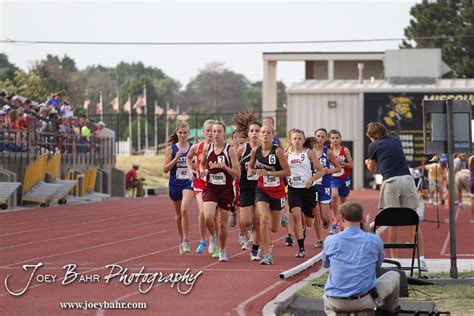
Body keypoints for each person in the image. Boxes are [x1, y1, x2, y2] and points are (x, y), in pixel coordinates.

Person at [365, 122, 428, 271]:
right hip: (407, 179)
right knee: (414, 220)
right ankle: (422, 260)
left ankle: (394, 260)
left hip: (391, 182)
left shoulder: (373, 145)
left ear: (372, 136)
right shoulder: (395, 140)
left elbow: (372, 169)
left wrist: (368, 162)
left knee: (392, 220)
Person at [323, 201, 400, 315]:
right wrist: (367, 233)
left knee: (327, 294)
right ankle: (387, 310)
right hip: (364, 300)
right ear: (362, 219)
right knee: (394, 275)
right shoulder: (374, 240)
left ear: (342, 218)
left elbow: (326, 264)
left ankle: (334, 313)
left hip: (336, 300)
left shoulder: (330, 240)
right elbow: (377, 265)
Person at [247, 124, 291, 265]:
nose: (265, 134)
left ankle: (282, 215)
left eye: (268, 132)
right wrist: (250, 171)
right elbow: (251, 165)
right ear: (260, 135)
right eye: (263, 132)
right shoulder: (255, 151)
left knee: (274, 228)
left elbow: (287, 172)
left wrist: (269, 173)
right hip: (262, 190)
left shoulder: (277, 152)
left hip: (278, 192)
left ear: (273, 136)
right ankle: (266, 255)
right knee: (263, 219)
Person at [200, 121, 240, 262]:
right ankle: (213, 236)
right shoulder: (207, 148)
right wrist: (202, 171)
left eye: (218, 131)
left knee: (223, 224)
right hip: (211, 187)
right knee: (208, 216)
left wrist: (225, 167)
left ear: (224, 133)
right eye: (213, 131)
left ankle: (222, 250)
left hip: (226, 190)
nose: (215, 134)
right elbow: (202, 163)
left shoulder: (230, 150)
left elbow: (237, 173)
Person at [286, 131, 325, 258]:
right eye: (294, 138)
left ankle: (304, 228)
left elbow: (321, 171)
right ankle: (301, 248)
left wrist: (311, 180)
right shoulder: (287, 154)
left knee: (309, 223)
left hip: (308, 190)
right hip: (293, 189)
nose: (297, 141)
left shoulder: (308, 153)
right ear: (290, 140)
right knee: (296, 216)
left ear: (303, 140)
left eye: (299, 138)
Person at [163, 122, 194, 255]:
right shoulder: (171, 149)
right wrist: (175, 158)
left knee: (184, 209)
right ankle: (181, 239)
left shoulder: (193, 148)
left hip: (188, 182)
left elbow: (198, 164)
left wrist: (194, 165)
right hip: (175, 183)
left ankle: (186, 240)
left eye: (185, 132)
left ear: (189, 133)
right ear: (177, 133)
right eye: (180, 133)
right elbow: (165, 169)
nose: (182, 135)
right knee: (178, 215)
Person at [186, 119, 216, 253]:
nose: (210, 133)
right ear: (203, 132)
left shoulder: (221, 147)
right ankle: (203, 240)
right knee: (203, 212)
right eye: (207, 131)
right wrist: (190, 169)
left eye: (212, 130)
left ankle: (215, 239)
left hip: (215, 184)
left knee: (214, 215)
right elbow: (188, 157)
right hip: (199, 184)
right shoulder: (196, 147)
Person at [312, 128, 341, 247]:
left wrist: (329, 170)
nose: (320, 139)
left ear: (326, 139)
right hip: (313, 186)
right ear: (314, 137)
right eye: (318, 136)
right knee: (315, 214)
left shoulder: (328, 152)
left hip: (324, 186)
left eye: (322, 137)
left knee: (324, 216)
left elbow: (338, 168)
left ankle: (327, 220)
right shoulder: (309, 152)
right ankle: (319, 239)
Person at [329, 129, 353, 234]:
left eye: (337, 138)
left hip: (344, 178)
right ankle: (334, 220)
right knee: (334, 195)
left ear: (340, 139)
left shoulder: (345, 150)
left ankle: (343, 221)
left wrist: (341, 162)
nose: (335, 140)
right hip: (333, 177)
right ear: (330, 139)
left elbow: (351, 165)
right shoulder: (328, 151)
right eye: (333, 138)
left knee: (343, 202)